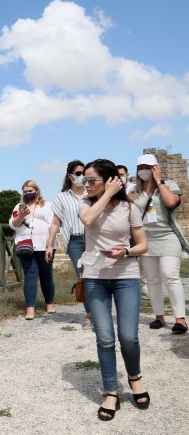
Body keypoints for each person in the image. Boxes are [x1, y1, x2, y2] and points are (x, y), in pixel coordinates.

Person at [79, 159, 149, 421]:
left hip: (126, 275)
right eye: (83, 180)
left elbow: (143, 245)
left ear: (108, 179)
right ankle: (111, 390)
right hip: (95, 277)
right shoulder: (85, 204)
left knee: (128, 336)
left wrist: (126, 251)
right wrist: (105, 192)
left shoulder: (129, 208)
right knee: (105, 338)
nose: (85, 185)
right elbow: (87, 221)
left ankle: (134, 377)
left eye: (90, 180)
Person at [131, 153, 188, 334]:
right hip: (146, 239)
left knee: (169, 275)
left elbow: (171, 202)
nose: (144, 171)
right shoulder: (134, 191)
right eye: (141, 168)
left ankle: (180, 319)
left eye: (148, 167)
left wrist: (159, 181)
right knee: (153, 280)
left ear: (155, 167)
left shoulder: (169, 185)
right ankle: (159, 316)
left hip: (168, 236)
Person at [46, 160, 91, 329]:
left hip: (94, 239)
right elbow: (56, 223)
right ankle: (89, 314)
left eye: (84, 173)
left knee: (98, 275)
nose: (82, 176)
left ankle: (101, 310)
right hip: (75, 240)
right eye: (78, 173)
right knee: (83, 276)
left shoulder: (92, 192)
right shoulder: (62, 198)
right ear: (70, 175)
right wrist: (50, 244)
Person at [9, 180, 56, 319]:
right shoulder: (19, 206)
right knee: (30, 275)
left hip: (45, 245)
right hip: (26, 245)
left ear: (37, 191)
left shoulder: (47, 205)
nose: (28, 193)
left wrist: (50, 244)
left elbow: (53, 224)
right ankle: (30, 307)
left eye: (30, 191)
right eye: (25, 191)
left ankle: (50, 302)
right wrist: (21, 215)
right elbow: (13, 225)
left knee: (46, 275)